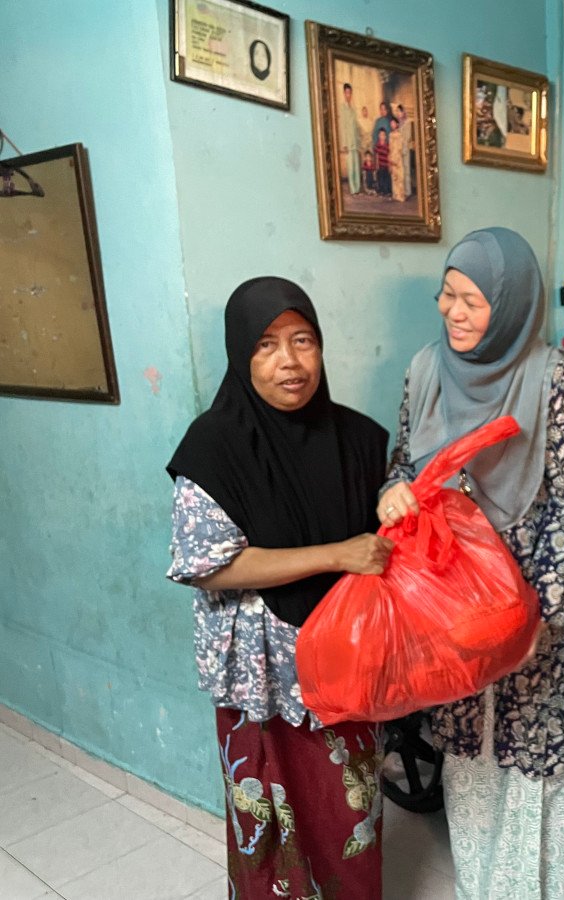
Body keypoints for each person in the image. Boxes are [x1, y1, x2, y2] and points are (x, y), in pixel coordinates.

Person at [377, 227, 564, 899]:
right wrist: (393, 492)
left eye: (472, 301)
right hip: (452, 612)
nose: (452, 312)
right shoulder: (425, 371)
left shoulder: (552, 380)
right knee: (470, 768)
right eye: (446, 295)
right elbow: (404, 465)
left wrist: (533, 621)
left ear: (509, 306)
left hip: (536, 619)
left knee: (539, 777)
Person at [166, 277, 392, 898]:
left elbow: (388, 544)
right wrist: (335, 555)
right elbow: (209, 565)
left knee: (348, 809)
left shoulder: (360, 439)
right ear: (241, 353)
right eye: (266, 345)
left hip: (343, 661)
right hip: (259, 670)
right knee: (266, 811)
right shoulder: (212, 446)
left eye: (303, 341)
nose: (289, 362)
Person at [337, 83, 364, 195]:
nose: (348, 95)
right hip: (348, 142)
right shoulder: (342, 108)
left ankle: (357, 188)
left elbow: (356, 126)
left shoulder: (353, 108)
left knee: (356, 166)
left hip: (355, 142)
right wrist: (344, 143)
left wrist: (359, 142)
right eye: (347, 93)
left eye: (350, 93)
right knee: (351, 166)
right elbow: (343, 125)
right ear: (344, 93)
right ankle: (353, 189)